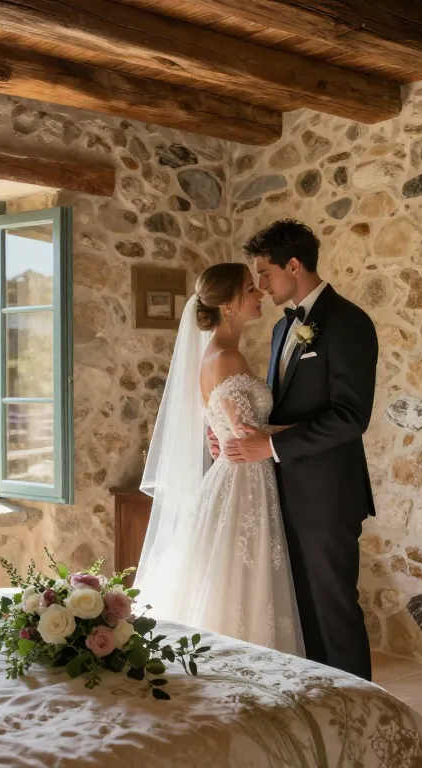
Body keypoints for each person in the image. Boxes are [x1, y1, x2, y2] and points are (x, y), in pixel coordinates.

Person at [216, 220, 378, 681]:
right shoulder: (280, 329)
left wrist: (266, 443)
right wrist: (237, 436)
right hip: (278, 488)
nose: (261, 286)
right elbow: (281, 408)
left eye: (265, 274)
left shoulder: (349, 322)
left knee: (334, 608)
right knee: (300, 608)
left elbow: (351, 416)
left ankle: (359, 708)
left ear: (293, 265)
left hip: (327, 493)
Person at [135, 263, 304, 655]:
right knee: (241, 580)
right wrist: (308, 430)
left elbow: (231, 425)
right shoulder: (226, 358)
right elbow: (248, 434)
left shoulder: (219, 354)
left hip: (238, 474)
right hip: (243, 480)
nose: (259, 293)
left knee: (233, 579)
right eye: (250, 289)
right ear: (228, 303)